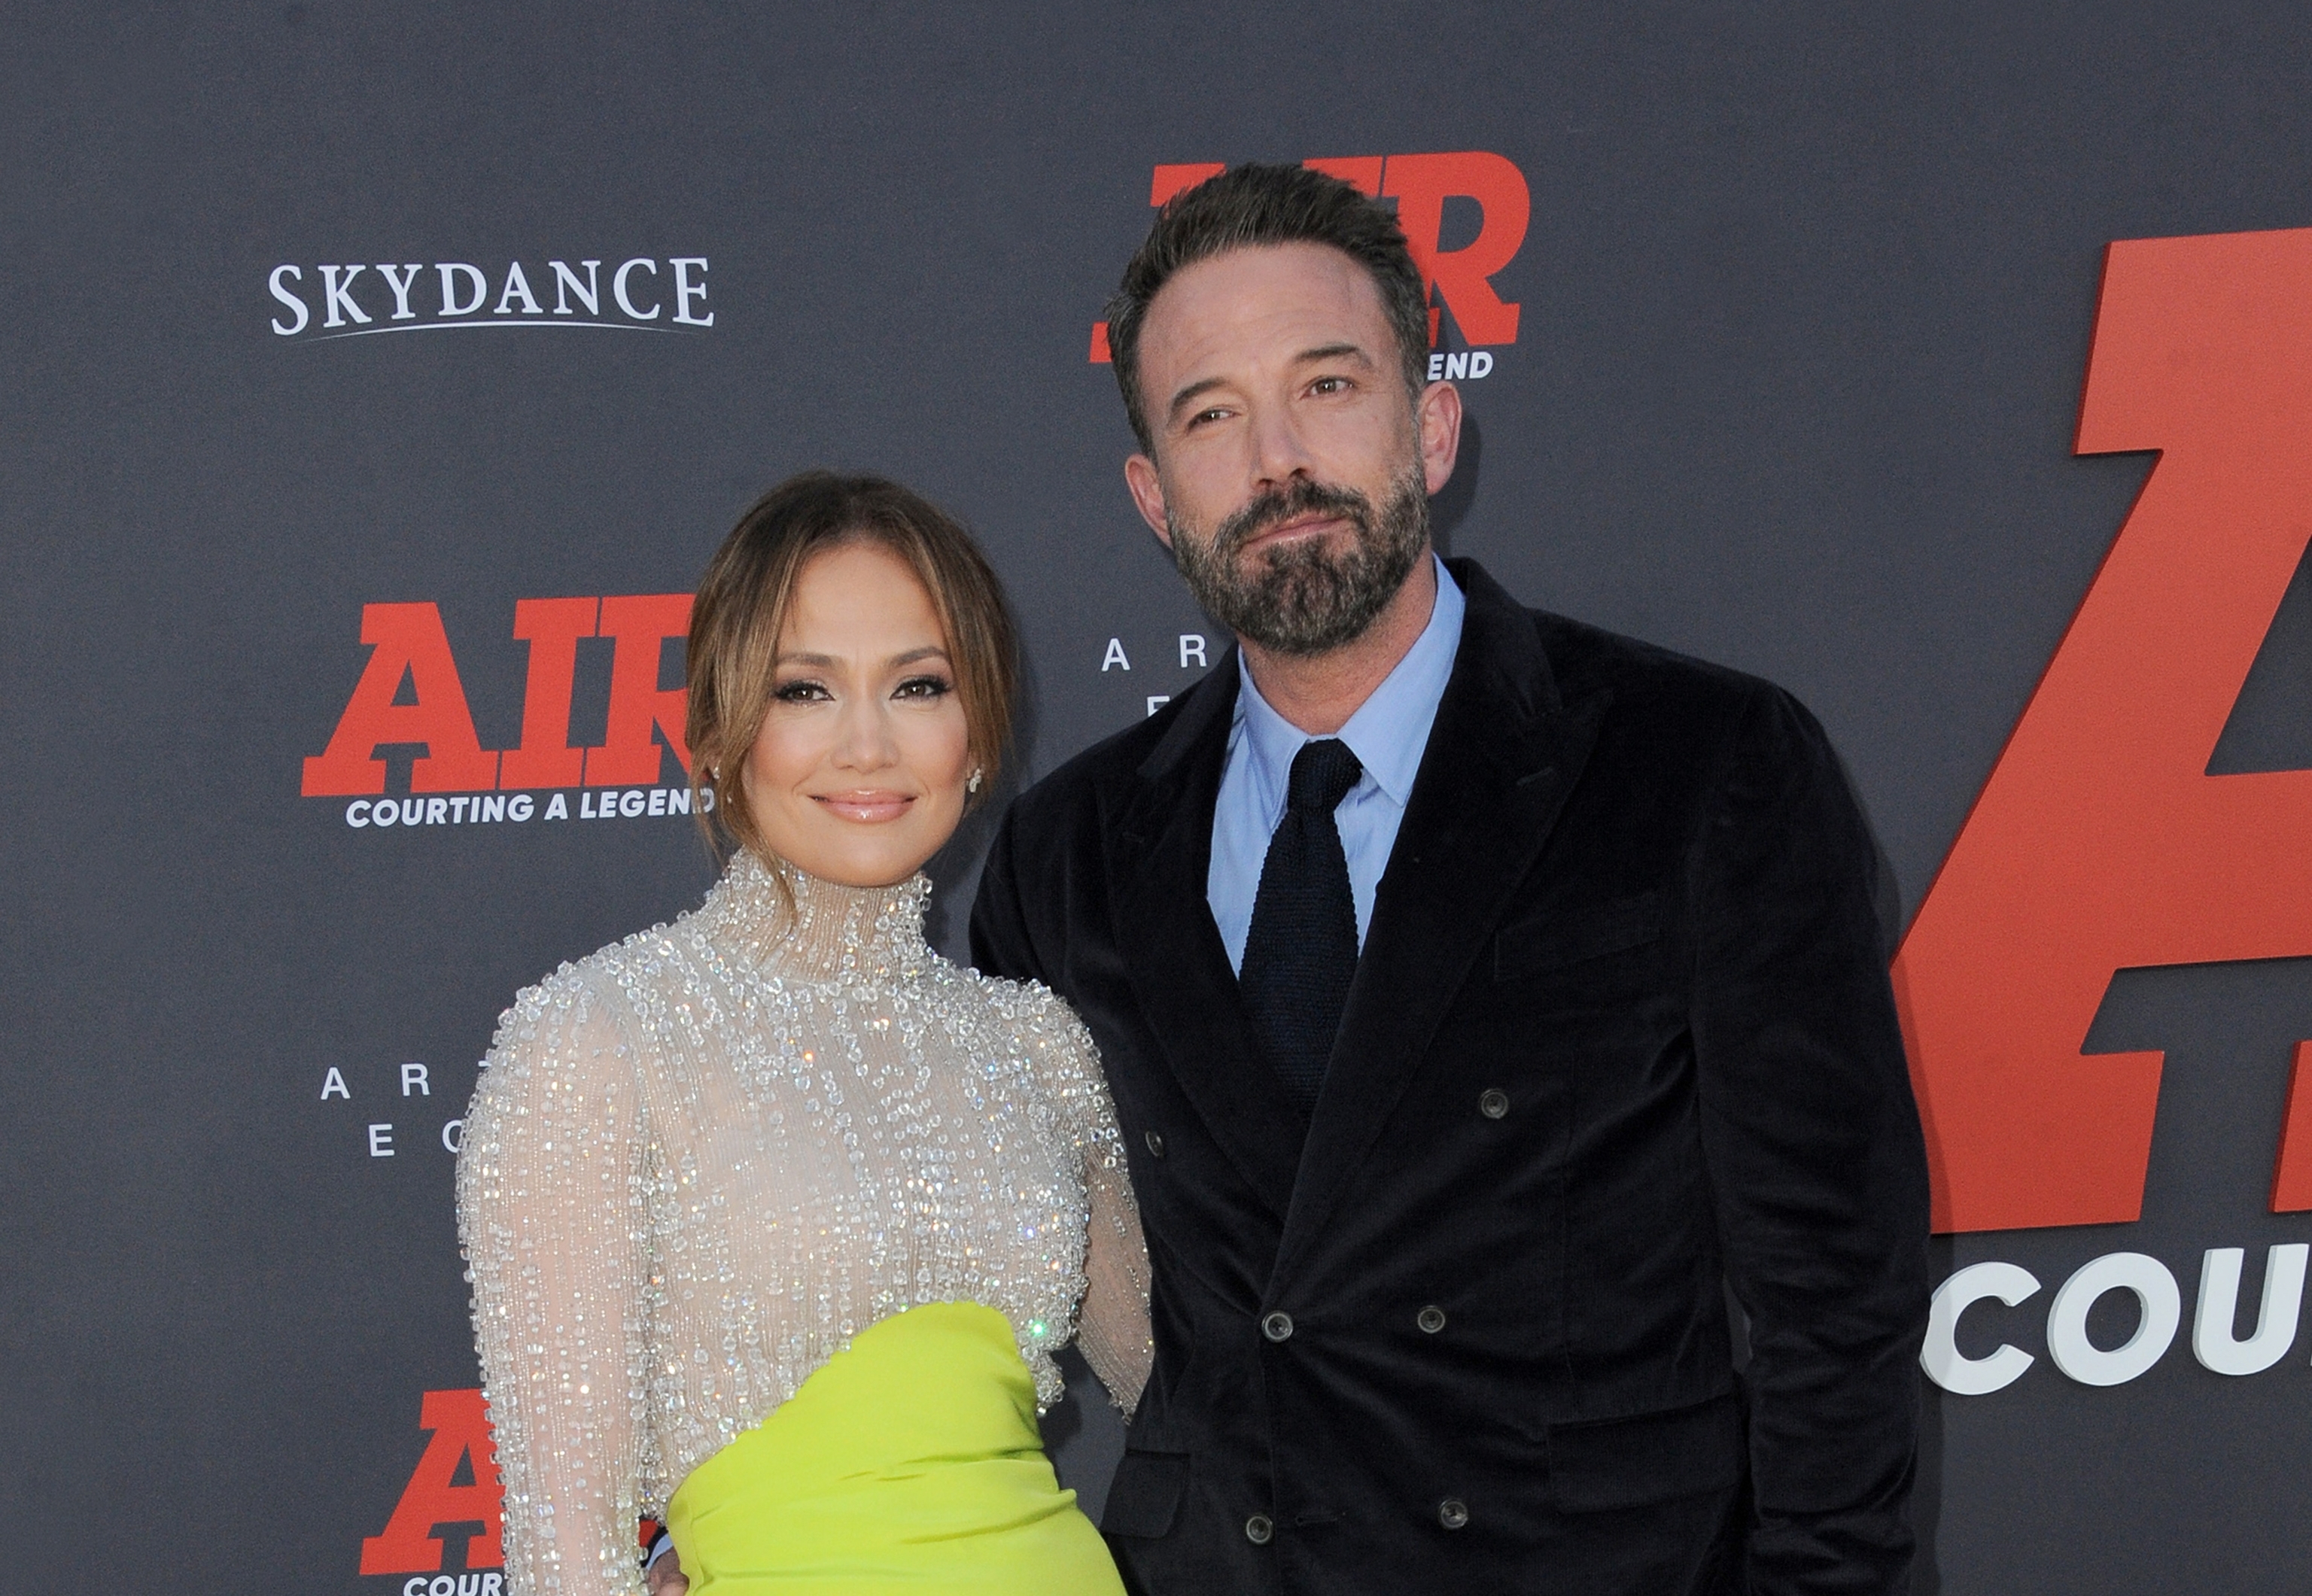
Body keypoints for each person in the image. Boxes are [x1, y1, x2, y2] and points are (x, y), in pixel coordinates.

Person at [969, 164, 1931, 1594]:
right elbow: (927, 1248)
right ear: (1153, 497)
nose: (1277, 460)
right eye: (1211, 415)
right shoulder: (1069, 852)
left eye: (1328, 385)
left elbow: (1830, 1302)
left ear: (1430, 424)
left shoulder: (1702, 765)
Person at [458, 472, 1151, 1596]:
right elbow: (565, 1557)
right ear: (721, 727)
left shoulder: (1033, 1046)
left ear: (978, 729)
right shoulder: (598, 1040)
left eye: (918, 684)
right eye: (806, 691)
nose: (868, 746)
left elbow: (1192, 1389)